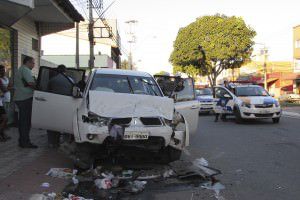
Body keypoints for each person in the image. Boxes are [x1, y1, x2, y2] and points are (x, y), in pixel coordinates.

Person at [47, 65, 74, 148]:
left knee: (52, 123)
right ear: (65, 71)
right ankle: (64, 142)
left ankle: (52, 142)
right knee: (64, 123)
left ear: (57, 71)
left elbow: (48, 91)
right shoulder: (71, 80)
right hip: (66, 105)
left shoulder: (52, 80)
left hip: (53, 104)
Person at [14, 56, 37, 148]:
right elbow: (31, 83)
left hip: (21, 98)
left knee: (23, 121)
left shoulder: (21, 69)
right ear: (28, 62)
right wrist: (40, 87)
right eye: (33, 63)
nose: (34, 65)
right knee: (25, 122)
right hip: (25, 98)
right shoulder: (26, 70)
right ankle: (25, 142)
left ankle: (22, 141)